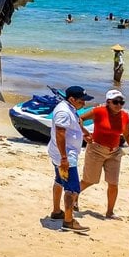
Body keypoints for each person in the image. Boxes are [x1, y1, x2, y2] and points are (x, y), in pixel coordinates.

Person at [78, 89, 129, 217]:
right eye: (116, 102)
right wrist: (84, 133)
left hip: (114, 152)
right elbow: (79, 119)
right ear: (108, 102)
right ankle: (73, 197)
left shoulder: (125, 116)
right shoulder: (99, 111)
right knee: (89, 180)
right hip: (96, 150)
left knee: (113, 183)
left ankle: (110, 212)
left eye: (122, 102)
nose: (119, 105)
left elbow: (127, 134)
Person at [47, 85, 93, 232]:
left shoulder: (70, 108)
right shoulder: (63, 112)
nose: (84, 104)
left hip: (62, 154)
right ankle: (68, 221)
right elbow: (60, 133)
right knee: (72, 188)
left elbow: (76, 122)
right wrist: (64, 158)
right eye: (81, 101)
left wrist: (84, 132)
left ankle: (56, 211)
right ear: (72, 99)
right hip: (65, 155)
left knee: (59, 181)